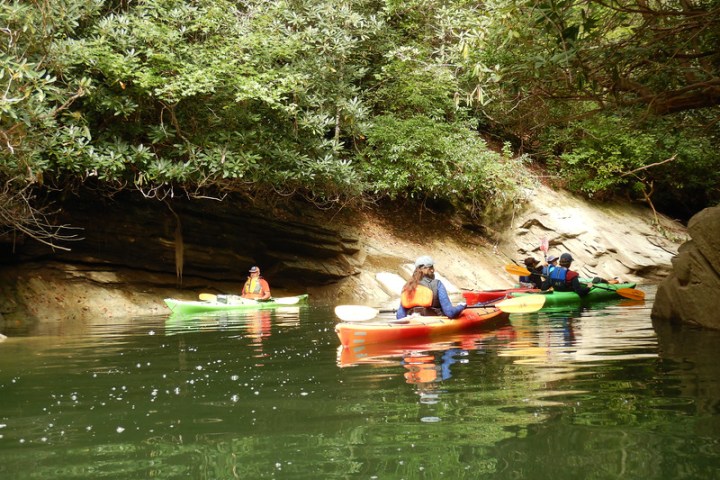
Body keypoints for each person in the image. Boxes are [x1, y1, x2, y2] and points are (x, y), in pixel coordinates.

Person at [396, 256, 466, 319]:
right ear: (430, 269)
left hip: (412, 322)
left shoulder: (408, 286)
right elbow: (450, 313)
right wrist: (461, 306)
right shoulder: (437, 284)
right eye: (432, 267)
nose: (433, 270)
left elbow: (400, 316)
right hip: (435, 322)